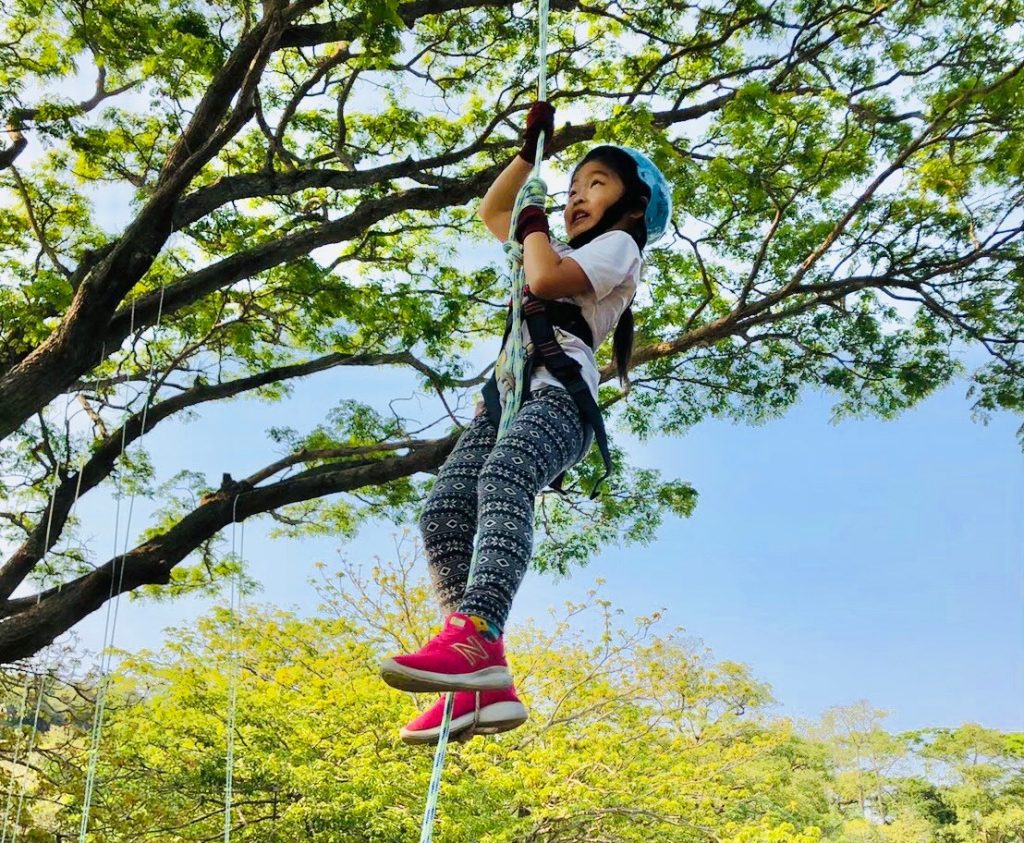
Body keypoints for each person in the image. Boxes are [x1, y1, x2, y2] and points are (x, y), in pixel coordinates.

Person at [380, 101, 673, 744]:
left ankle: (476, 636)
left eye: (596, 184)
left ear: (631, 204)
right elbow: (493, 213)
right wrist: (525, 156)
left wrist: (536, 222)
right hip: (504, 398)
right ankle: (482, 688)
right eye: (572, 187)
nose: (576, 196)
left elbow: (542, 276)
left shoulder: (620, 247)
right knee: (442, 512)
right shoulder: (553, 236)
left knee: (504, 480)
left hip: (558, 399)